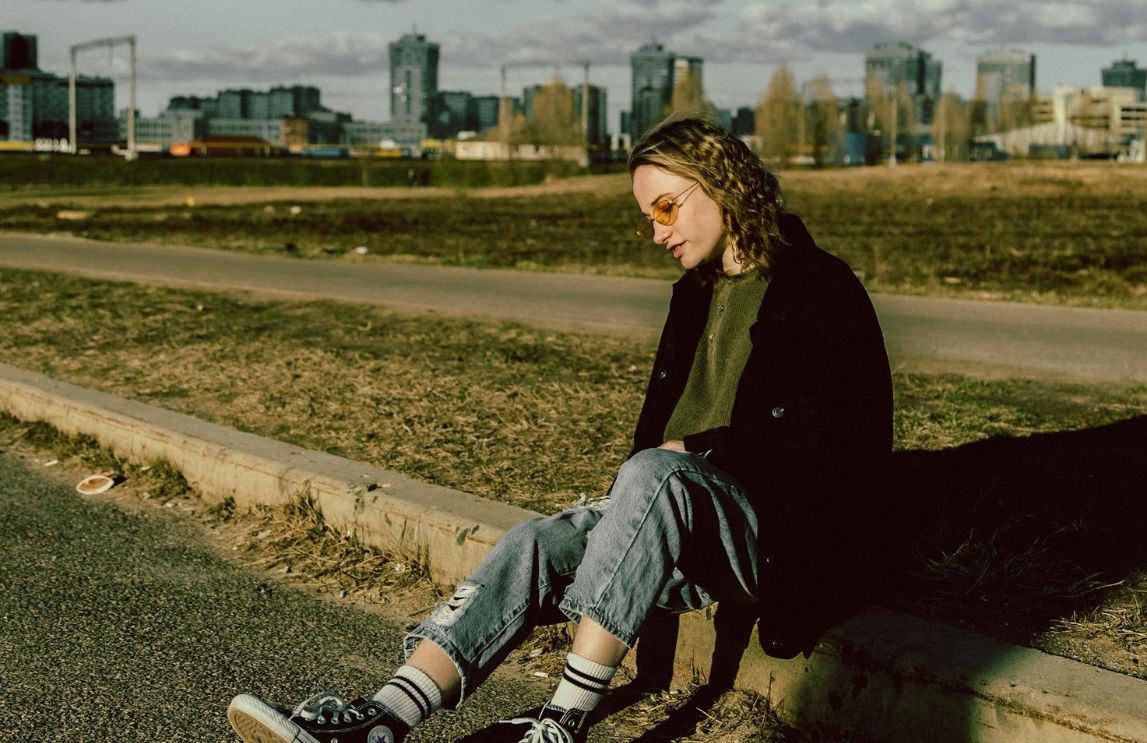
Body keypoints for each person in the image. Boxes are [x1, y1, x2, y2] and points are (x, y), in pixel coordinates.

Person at [226, 117, 892, 743]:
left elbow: (834, 443)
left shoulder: (815, 287)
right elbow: (656, 441)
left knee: (654, 474)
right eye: (647, 220)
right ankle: (382, 718)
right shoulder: (694, 292)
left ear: (719, 183)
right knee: (538, 542)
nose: (658, 233)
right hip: (674, 513)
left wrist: (696, 452)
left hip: (772, 530)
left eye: (665, 208)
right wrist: (642, 490)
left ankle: (562, 723)